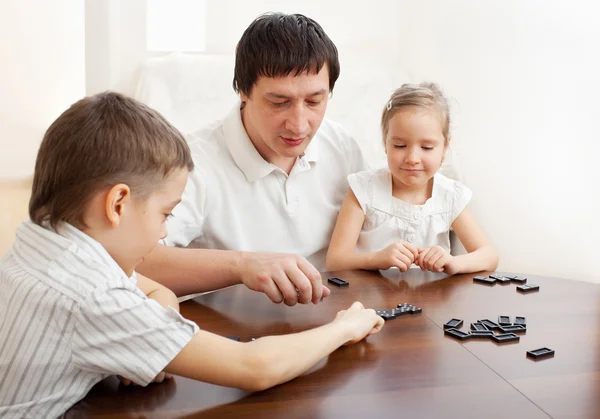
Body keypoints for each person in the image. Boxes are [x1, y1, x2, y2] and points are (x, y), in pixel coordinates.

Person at [0, 92, 384, 418]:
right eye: (165, 214)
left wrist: (151, 337)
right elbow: (255, 367)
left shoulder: (45, 239)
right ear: (118, 204)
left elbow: (151, 290)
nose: (165, 230)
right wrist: (343, 328)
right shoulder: (94, 297)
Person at [137, 12, 367, 305]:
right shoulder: (191, 163)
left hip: (333, 321)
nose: (299, 124)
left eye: (314, 101)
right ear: (243, 91)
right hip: (233, 337)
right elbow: (136, 262)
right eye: (279, 102)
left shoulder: (342, 146)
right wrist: (242, 266)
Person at [326, 83, 498, 274]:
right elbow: (335, 261)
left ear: (445, 147)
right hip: (369, 300)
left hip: (429, 302)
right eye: (400, 145)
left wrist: (452, 262)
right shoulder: (364, 190)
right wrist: (377, 258)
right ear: (385, 143)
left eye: (427, 148)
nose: (412, 159)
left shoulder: (449, 196)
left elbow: (489, 256)